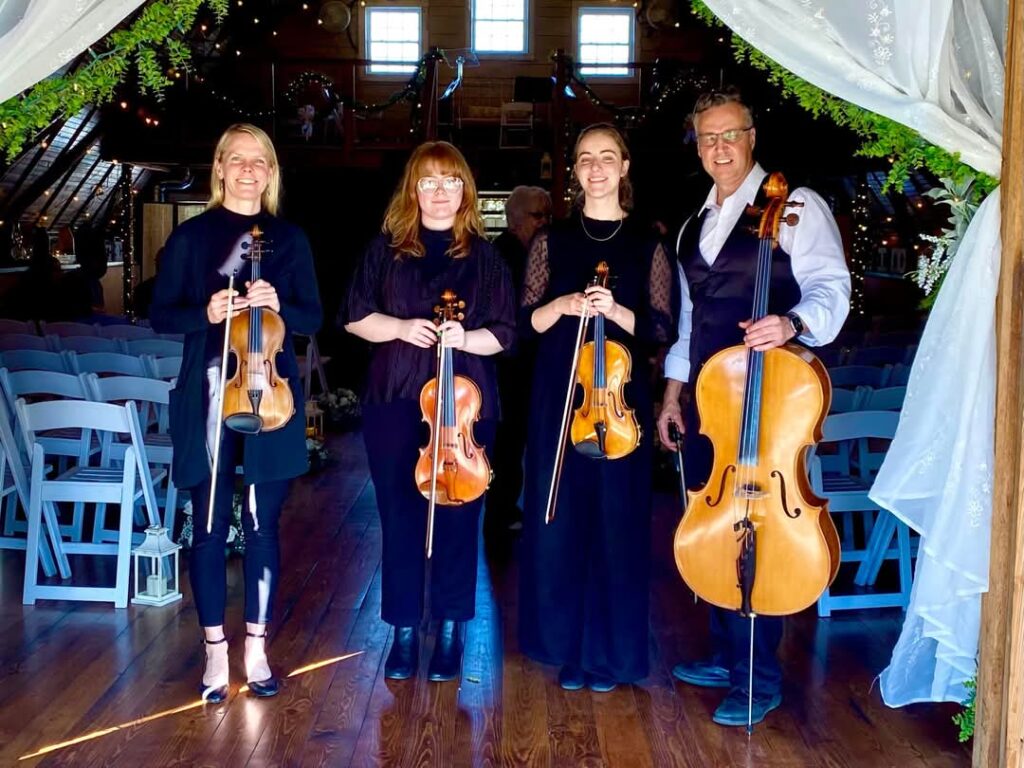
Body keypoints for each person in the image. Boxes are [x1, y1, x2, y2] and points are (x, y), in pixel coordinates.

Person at [657, 88, 850, 726]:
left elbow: (832, 288)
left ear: (752, 136)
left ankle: (757, 676)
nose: (719, 148)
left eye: (729, 135)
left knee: (761, 532)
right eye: (707, 138)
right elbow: (689, 319)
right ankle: (724, 651)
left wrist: (792, 322)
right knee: (713, 522)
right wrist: (673, 394)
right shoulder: (694, 223)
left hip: (768, 400)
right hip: (712, 401)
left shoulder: (795, 207)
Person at [150, 123, 322, 702]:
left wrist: (282, 303)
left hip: (270, 394)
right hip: (208, 394)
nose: (249, 169)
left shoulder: (290, 239)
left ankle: (256, 645)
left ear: (271, 173)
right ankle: (215, 653)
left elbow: (312, 317)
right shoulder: (192, 238)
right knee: (208, 528)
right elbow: (161, 317)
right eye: (238, 160)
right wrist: (207, 310)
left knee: (262, 527)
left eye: (260, 161)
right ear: (220, 168)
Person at [343, 141, 515, 682]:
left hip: (466, 409)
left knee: (461, 518)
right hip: (395, 400)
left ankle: (449, 629)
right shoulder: (384, 251)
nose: (440, 192)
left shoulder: (486, 260)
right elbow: (353, 317)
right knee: (400, 517)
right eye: (428, 182)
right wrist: (398, 328)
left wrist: (466, 336)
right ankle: (401, 628)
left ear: (465, 190)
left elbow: (507, 335)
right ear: (412, 190)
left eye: (450, 181)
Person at [518, 123, 677, 692]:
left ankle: (610, 654)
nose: (596, 168)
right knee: (559, 520)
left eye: (607, 158)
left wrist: (616, 311)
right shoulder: (550, 241)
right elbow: (526, 323)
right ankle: (566, 648)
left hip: (619, 406)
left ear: (625, 166)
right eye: (586, 159)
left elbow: (661, 329)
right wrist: (563, 303)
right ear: (576, 171)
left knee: (615, 526)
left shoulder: (648, 244)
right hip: (559, 396)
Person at [487, 185, 551, 534]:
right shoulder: (503, 255)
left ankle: (515, 509)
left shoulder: (535, 251)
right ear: (514, 221)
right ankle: (502, 513)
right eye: (538, 215)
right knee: (508, 442)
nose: (546, 222)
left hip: (527, 362)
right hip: (507, 364)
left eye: (548, 215)